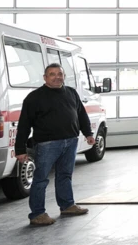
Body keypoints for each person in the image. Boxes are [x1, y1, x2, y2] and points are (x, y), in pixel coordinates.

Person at [15, 63, 95, 226]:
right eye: (52, 74)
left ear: (64, 76)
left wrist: (88, 133)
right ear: (45, 77)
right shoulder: (34, 97)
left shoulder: (71, 93)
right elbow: (24, 125)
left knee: (65, 175)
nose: (57, 77)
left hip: (71, 141)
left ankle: (67, 205)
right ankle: (37, 214)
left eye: (60, 74)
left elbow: (81, 114)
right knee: (41, 179)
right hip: (47, 144)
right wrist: (20, 149)